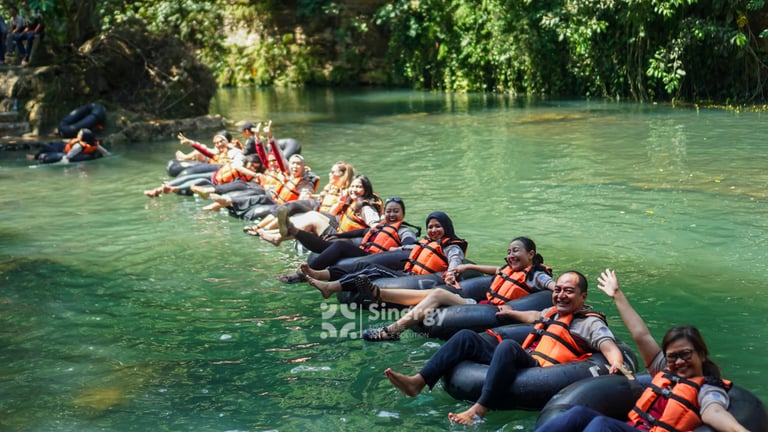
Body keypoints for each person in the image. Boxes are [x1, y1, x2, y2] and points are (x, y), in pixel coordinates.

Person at [384, 270, 625, 425]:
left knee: (508, 346)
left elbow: (607, 343)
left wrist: (615, 362)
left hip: (544, 370)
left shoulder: (589, 322)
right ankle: (418, 381)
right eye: (558, 289)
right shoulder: (552, 312)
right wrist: (512, 313)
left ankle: (481, 408)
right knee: (466, 336)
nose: (561, 295)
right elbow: (534, 315)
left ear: (583, 297)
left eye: (569, 291)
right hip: (528, 359)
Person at [533, 269, 749, 432]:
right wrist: (616, 294)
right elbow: (641, 335)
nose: (679, 362)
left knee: (602, 424)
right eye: (673, 356)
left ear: (701, 354)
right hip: (636, 427)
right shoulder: (664, 371)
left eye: (686, 354)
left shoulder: (708, 389)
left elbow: (715, 412)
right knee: (578, 413)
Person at [360, 236, 555, 341]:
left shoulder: (535, 275)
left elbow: (550, 284)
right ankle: (380, 294)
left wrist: (562, 290)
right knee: (430, 294)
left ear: (531, 254)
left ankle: (393, 330)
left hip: (491, 312)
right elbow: (497, 270)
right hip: (481, 304)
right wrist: (469, 266)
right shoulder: (510, 269)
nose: (510, 255)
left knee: (437, 293)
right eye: (509, 251)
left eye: (516, 251)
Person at [301, 211, 468, 299]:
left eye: (437, 226)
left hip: (414, 280)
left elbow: (455, 258)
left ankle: (330, 287)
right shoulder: (426, 241)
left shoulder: (451, 246)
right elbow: (411, 247)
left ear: (447, 227)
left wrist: (452, 272)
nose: (433, 230)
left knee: (371, 271)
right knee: (362, 265)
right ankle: (322, 274)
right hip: (405, 274)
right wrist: (394, 250)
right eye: (430, 227)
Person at [276, 197, 420, 283]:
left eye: (396, 211)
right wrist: (339, 235)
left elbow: (410, 244)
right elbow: (362, 231)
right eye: (388, 211)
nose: (392, 214)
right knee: (331, 244)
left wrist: (398, 248)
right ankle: (294, 230)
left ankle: (301, 275)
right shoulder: (380, 227)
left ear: (403, 214)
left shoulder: (403, 230)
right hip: (364, 252)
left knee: (340, 246)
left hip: (376, 259)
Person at [253, 174, 381, 245]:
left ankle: (279, 237)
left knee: (312, 221)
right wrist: (341, 203)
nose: (354, 189)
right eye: (352, 186)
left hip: (347, 237)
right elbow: (334, 215)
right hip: (341, 228)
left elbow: (374, 226)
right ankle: (278, 232)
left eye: (358, 187)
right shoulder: (353, 200)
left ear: (366, 189)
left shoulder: (366, 207)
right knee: (312, 213)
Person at [144, 131, 243, 197]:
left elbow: (243, 165)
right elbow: (203, 149)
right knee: (190, 177)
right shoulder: (217, 152)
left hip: (222, 181)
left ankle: (172, 188)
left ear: (227, 142)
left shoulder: (237, 153)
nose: (218, 145)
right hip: (217, 175)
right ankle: (158, 189)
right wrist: (190, 142)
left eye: (221, 142)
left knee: (199, 180)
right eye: (216, 143)